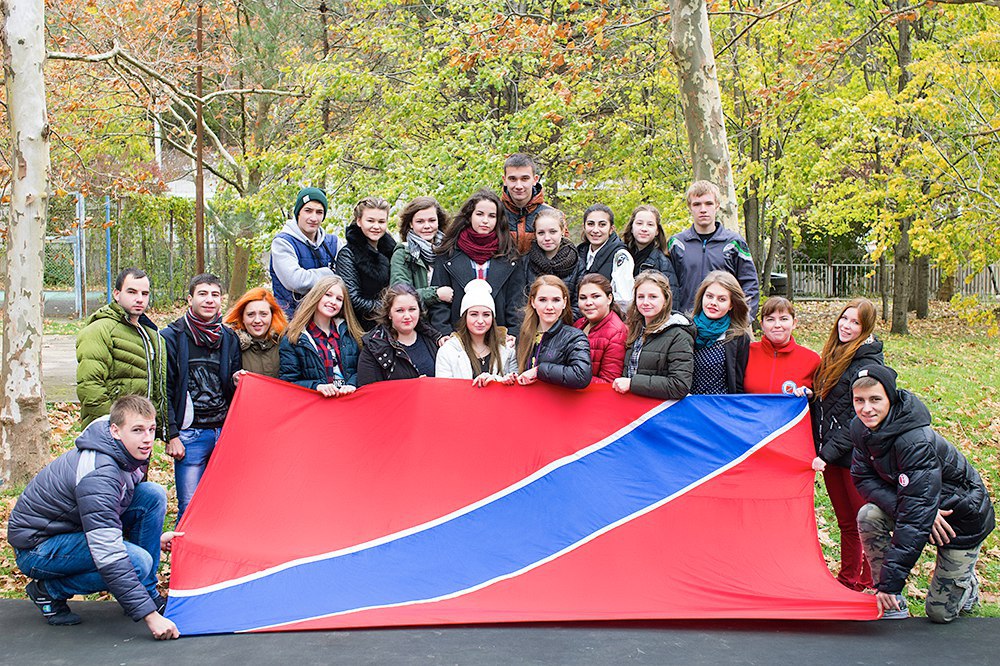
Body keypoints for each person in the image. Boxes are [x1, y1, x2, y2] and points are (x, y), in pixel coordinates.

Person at [7, 395, 182, 639]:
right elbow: (107, 551)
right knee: (137, 562)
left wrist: (153, 538)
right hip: (37, 548)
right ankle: (49, 590)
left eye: (151, 429)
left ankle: (146, 591)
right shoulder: (100, 473)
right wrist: (149, 617)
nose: (147, 438)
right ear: (115, 430)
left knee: (152, 494)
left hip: (74, 529)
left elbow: (111, 511)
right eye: (138, 430)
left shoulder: (129, 451)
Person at [850, 365, 995, 622]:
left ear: (890, 399)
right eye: (859, 400)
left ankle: (968, 586)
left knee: (939, 614)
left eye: (875, 399)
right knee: (869, 514)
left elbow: (915, 520)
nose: (866, 408)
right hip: (917, 506)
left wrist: (920, 514)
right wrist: (920, 512)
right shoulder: (860, 428)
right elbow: (862, 477)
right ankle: (892, 602)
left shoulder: (914, 440)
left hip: (960, 518)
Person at [811, 297, 882, 592]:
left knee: (864, 522)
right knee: (845, 522)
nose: (847, 325)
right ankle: (849, 578)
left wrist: (825, 452)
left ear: (865, 329)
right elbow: (825, 404)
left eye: (855, 322)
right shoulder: (833, 354)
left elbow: (857, 418)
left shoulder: (867, 366)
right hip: (830, 456)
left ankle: (870, 579)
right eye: (845, 318)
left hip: (855, 455)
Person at [161, 274, 241, 521]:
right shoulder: (172, 336)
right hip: (190, 434)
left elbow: (233, 388)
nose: (209, 300)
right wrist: (172, 435)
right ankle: (184, 558)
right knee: (190, 507)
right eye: (203, 294)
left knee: (223, 504)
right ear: (190, 299)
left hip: (223, 432)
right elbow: (166, 389)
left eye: (215, 295)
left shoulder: (229, 338)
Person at [76, 267, 169, 439]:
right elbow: (90, 386)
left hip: (141, 434)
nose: (139, 299)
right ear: (117, 294)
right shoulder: (99, 330)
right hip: (110, 433)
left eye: (145, 293)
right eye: (132, 292)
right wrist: (114, 426)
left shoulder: (151, 335)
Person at [429, 189, 525, 335]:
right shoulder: (448, 254)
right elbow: (439, 305)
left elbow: (515, 303)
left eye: (492, 216)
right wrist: (444, 334)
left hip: (498, 338)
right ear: (469, 217)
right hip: (457, 338)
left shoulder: (510, 257)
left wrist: (513, 334)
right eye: (480, 214)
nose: (485, 220)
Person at [667, 180, 760, 317]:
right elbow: (668, 287)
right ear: (690, 207)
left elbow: (749, 285)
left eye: (708, 203)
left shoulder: (734, 243)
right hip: (686, 324)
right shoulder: (677, 244)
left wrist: (743, 319)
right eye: (697, 204)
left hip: (724, 325)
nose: (703, 209)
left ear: (717, 206)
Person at [612, 271, 695, 400]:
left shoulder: (679, 335)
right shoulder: (635, 328)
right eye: (640, 297)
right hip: (632, 406)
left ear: (665, 299)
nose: (645, 302)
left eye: (653, 297)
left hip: (658, 411)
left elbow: (680, 385)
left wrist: (632, 383)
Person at [279, 276, 364, 395]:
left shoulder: (350, 333)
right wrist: (316, 386)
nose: (333, 302)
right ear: (317, 296)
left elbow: (362, 370)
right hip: (317, 406)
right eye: (328, 295)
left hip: (348, 403)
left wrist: (352, 384)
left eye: (339, 299)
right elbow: (288, 382)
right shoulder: (294, 337)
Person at [269, 187, 340, 316]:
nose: (313, 218)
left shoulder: (333, 243)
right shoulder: (283, 243)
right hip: (291, 317)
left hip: (325, 319)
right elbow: (296, 281)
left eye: (319, 212)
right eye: (308, 211)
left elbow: (347, 278)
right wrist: (331, 273)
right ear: (298, 213)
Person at [357, 284, 444, 386]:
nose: (407, 316)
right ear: (389, 314)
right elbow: (368, 392)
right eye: (400, 310)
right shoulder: (373, 348)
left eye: (412, 309)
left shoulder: (434, 340)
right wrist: (411, 387)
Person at [435, 279, 517, 385]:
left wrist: (495, 381)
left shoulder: (507, 347)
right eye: (474, 314)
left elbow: (516, 383)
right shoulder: (448, 350)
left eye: (486, 315)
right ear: (465, 317)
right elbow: (444, 389)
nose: (480, 321)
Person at [514, 276, 591, 389]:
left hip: (558, 405)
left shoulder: (574, 337)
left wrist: (539, 370)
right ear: (533, 302)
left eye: (556, 300)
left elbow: (581, 375)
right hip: (527, 403)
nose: (549, 307)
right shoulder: (524, 335)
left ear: (564, 303)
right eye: (543, 300)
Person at [336, 196, 396, 330]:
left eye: (381, 221)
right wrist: (392, 307)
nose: (376, 226)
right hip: (363, 328)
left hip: (393, 324)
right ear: (359, 221)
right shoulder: (348, 254)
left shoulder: (393, 251)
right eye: (370, 221)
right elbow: (352, 299)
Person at [689, 271, 752, 395]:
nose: (713, 302)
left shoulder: (738, 337)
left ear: (731, 305)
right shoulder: (686, 328)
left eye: (721, 299)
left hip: (720, 407)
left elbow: (738, 383)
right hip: (688, 406)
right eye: (709, 296)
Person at [744, 296, 820, 395]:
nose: (777, 325)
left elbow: (821, 399)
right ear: (762, 325)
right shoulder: (746, 353)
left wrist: (811, 395)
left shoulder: (812, 360)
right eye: (770, 319)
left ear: (794, 323)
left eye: (783, 319)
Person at [389, 196, 453, 309]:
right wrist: (436, 294)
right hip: (417, 320)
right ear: (411, 224)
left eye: (432, 220)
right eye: (420, 221)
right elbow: (400, 295)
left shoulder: (449, 250)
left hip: (447, 320)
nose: (427, 226)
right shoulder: (403, 254)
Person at [523, 208, 581, 316]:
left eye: (552, 232)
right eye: (541, 233)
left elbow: (578, 304)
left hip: (566, 326)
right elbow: (519, 301)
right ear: (535, 234)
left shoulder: (576, 262)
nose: (547, 238)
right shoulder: (525, 262)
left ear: (562, 231)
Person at [577, 203, 634, 308]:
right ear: (583, 227)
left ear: (611, 229)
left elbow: (624, 300)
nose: (595, 230)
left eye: (602, 225)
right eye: (590, 224)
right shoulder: (579, 254)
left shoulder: (620, 255)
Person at [574, 273, 628, 384]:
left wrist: (568, 375)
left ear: (609, 299)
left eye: (595, 296)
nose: (588, 303)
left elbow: (608, 381)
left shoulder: (617, 333)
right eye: (583, 298)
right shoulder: (579, 324)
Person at [224, 287, 288, 379]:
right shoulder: (231, 345)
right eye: (251, 314)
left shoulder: (286, 343)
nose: (257, 320)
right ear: (242, 318)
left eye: (263, 314)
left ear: (272, 315)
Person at [500, 152, 555, 254]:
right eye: (513, 179)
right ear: (504, 180)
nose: (519, 186)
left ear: (535, 180)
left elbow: (565, 256)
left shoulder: (553, 216)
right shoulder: (493, 214)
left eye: (525, 179)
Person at [622, 204, 680, 298]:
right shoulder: (620, 256)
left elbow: (672, 300)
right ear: (631, 228)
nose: (644, 229)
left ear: (657, 231)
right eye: (639, 223)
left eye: (650, 224)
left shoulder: (663, 263)